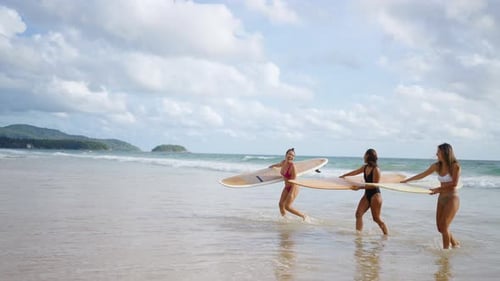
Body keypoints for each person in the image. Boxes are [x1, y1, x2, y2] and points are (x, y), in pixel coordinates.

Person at [401, 143, 461, 249]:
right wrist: (406, 180)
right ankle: (455, 244)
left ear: (445, 152)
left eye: (438, 152)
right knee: (440, 228)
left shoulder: (455, 166)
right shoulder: (437, 166)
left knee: (444, 226)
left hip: (452, 198)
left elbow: (454, 184)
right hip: (442, 198)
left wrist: (438, 189)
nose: (436, 154)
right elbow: (422, 175)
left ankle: (445, 253)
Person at [340, 149, 388, 235]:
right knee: (358, 214)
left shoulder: (376, 169)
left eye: (365, 155)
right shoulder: (365, 167)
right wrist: (344, 175)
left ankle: (386, 235)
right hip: (367, 194)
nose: (363, 157)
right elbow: (355, 172)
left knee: (376, 218)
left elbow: (375, 185)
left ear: (369, 156)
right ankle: (358, 235)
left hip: (375, 196)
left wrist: (359, 187)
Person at [269, 148, 307, 221]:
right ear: (286, 155)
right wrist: (272, 166)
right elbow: (279, 165)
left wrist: (291, 192)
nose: (291, 156)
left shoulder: (292, 166)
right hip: (287, 186)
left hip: (294, 186)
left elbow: (294, 180)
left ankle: (303, 216)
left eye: (293, 155)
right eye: (289, 154)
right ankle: (285, 219)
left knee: (287, 206)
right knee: (280, 204)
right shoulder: (283, 162)